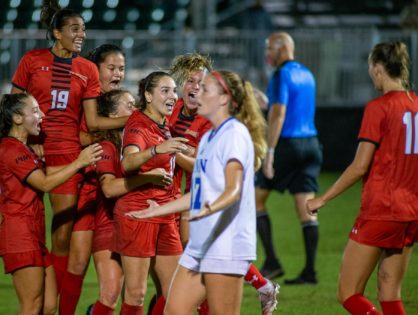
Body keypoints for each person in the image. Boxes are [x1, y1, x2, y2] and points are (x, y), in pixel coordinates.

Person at [10, 0, 129, 293]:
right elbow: (12, 109)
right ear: (57, 32)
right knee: (24, 224)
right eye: (75, 29)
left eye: (84, 29)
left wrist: (139, 118)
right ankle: (35, 295)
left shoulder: (86, 69)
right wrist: (27, 143)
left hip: (66, 153)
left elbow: (94, 121)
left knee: (61, 235)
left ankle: (51, 300)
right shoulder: (31, 60)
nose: (82, 35)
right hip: (32, 151)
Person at [127, 70, 267, 315]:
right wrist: (156, 211)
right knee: (173, 310)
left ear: (223, 99)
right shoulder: (209, 138)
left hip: (225, 243)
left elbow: (232, 189)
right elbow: (198, 194)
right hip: (201, 244)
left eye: (205, 89)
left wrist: (208, 209)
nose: (196, 93)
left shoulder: (234, 134)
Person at [307, 41, 418, 315]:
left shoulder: (379, 107)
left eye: (370, 67)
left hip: (382, 209)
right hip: (411, 211)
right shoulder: (416, 105)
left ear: (379, 68)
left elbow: (359, 167)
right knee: (389, 290)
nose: (370, 73)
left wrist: (322, 199)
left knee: (348, 293)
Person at [168, 53, 279, 315]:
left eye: (202, 83)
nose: (196, 87)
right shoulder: (173, 110)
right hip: (180, 196)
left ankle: (262, 285)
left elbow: (206, 171)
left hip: (204, 206)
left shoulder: (216, 125)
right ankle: (262, 285)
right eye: (191, 81)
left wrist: (167, 151)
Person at [0, 93, 102, 315]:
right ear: (17, 118)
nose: (42, 115)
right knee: (31, 305)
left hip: (34, 235)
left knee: (47, 306)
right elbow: (45, 184)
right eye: (35, 110)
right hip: (19, 236)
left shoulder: (24, 148)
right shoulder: (11, 148)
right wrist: (80, 162)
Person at [90, 89, 173, 315]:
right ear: (112, 114)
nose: (134, 110)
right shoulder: (107, 146)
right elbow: (108, 189)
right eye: (128, 106)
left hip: (143, 218)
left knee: (171, 290)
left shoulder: (141, 137)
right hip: (109, 224)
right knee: (111, 294)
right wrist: (147, 177)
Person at [59, 44, 127, 315]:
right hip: (86, 189)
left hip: (113, 196)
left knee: (118, 277)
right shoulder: (82, 100)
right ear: (94, 69)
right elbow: (78, 137)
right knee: (76, 263)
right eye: (111, 68)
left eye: (121, 68)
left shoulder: (119, 101)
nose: (117, 73)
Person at [114, 71, 188, 314]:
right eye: (165, 90)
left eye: (174, 91)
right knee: (136, 294)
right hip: (139, 212)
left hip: (164, 212)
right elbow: (128, 163)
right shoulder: (138, 124)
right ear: (147, 95)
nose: (172, 96)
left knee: (175, 293)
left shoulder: (163, 125)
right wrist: (156, 150)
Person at [255, 32, 322, 284]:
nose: (266, 53)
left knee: (255, 199)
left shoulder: (281, 74)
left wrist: (270, 152)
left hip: (287, 145)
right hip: (311, 144)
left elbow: (279, 114)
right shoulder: (306, 73)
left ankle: (272, 261)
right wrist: (268, 103)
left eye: (269, 48)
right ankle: (310, 271)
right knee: (307, 208)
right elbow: (291, 108)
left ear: (283, 48)